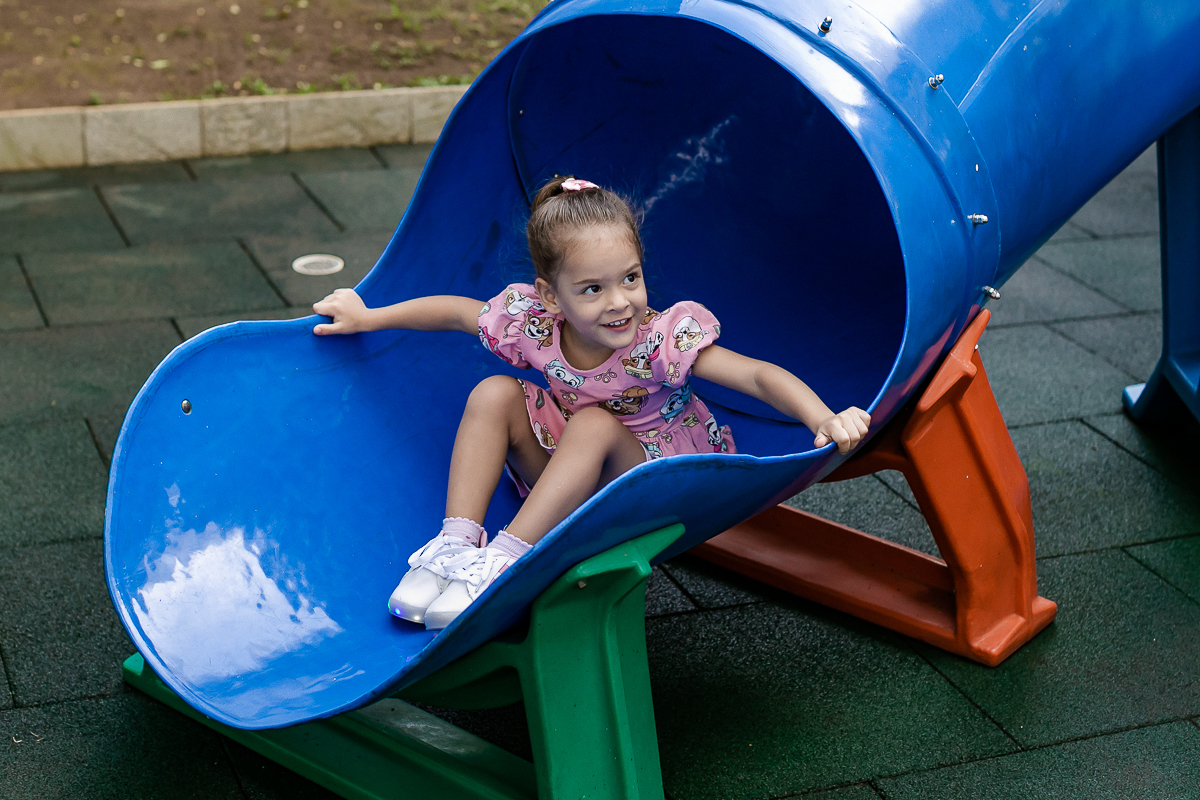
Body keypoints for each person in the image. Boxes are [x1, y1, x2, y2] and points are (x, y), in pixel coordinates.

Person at [312, 176, 871, 630]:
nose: (620, 302)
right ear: (551, 296)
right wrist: (370, 317)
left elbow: (755, 376)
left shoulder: (658, 340)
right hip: (570, 469)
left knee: (595, 424)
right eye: (592, 289)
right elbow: (459, 313)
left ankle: (507, 560)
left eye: (630, 278)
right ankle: (457, 542)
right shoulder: (533, 323)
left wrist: (821, 416)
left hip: (654, 475)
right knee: (494, 392)